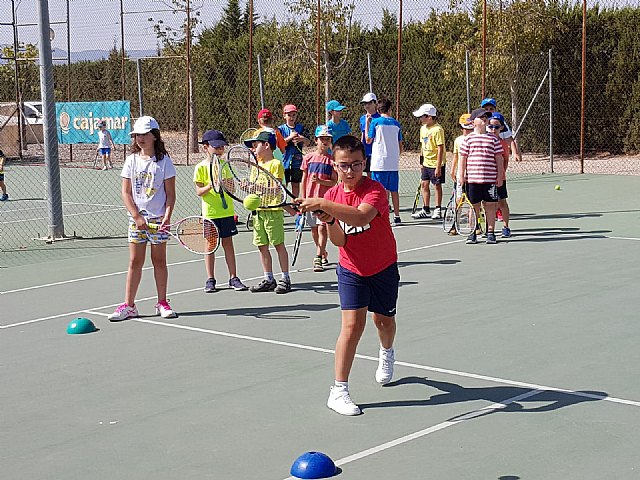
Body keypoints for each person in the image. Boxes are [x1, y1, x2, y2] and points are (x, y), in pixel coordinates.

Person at [297, 135, 399, 416]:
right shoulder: (331, 196)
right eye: (344, 165)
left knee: (383, 321)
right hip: (351, 269)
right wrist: (328, 220)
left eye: (356, 164)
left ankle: (387, 353)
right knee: (352, 327)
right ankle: (338, 390)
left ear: (364, 162)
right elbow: (340, 242)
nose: (350, 171)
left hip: (383, 266)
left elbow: (360, 217)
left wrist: (322, 205)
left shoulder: (375, 190)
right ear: (336, 165)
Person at [108, 115, 177, 321]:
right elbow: (126, 193)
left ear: (154, 136)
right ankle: (129, 306)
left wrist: (166, 217)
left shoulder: (165, 162)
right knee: (134, 261)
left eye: (144, 134)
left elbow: (171, 194)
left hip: (158, 221)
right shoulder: (131, 160)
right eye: (137, 135)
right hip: (136, 222)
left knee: (159, 261)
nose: (140, 138)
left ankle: (162, 303)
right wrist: (136, 216)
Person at [194, 129, 249, 293]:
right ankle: (210, 279)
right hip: (210, 214)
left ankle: (234, 277)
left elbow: (231, 188)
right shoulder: (201, 168)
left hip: (226, 213)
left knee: (228, 244)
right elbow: (199, 191)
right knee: (210, 246)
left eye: (221, 148)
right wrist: (212, 184)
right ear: (205, 147)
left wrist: (224, 183)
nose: (219, 150)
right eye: (216, 147)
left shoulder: (225, 166)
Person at [244, 131, 292, 294]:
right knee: (261, 246)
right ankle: (268, 278)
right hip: (258, 212)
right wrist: (249, 189)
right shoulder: (255, 167)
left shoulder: (276, 164)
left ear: (266, 145)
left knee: (278, 245)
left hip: (273, 211)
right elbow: (255, 191)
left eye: (255, 144)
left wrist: (258, 188)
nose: (253, 148)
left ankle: (285, 278)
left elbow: (277, 190)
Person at [457, 108, 504, 245]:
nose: (484, 118)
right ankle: (473, 232)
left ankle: (491, 232)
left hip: (490, 180)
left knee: (490, 206)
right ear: (473, 121)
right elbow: (462, 158)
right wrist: (461, 175)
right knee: (474, 207)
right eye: (481, 117)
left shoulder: (493, 139)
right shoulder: (468, 139)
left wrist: (500, 175)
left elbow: (499, 159)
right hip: (472, 180)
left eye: (486, 117)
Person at [300, 125, 338, 272]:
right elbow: (304, 179)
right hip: (310, 201)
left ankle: (317, 257)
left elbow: (334, 181)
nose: (325, 141)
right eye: (322, 139)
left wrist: (321, 182)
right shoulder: (308, 158)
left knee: (322, 229)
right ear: (316, 140)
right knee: (314, 230)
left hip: (324, 202)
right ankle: (322, 251)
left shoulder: (331, 161)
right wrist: (302, 198)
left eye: (327, 139)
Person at [365, 97, 404, 226]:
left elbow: (368, 140)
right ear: (390, 109)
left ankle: (381, 215)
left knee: (379, 190)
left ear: (378, 109)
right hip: (393, 163)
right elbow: (401, 147)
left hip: (379, 163)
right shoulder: (396, 124)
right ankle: (397, 217)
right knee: (393, 190)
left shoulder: (375, 122)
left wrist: (367, 123)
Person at [411, 103, 446, 220]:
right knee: (424, 185)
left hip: (436, 163)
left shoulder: (438, 130)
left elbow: (441, 148)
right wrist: (421, 161)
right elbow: (422, 146)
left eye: (422, 116)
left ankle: (437, 209)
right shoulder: (422, 129)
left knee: (437, 185)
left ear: (429, 117)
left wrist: (438, 167)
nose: (420, 119)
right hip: (426, 163)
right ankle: (426, 209)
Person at [447, 113, 474, 235]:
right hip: (460, 176)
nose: (467, 130)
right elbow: (455, 156)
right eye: (465, 127)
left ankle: (473, 225)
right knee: (459, 200)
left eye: (470, 128)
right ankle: (456, 225)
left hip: (473, 175)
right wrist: (453, 171)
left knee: (473, 201)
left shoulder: (475, 138)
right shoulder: (458, 140)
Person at [278, 104, 310, 198]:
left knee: (295, 184)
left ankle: (294, 204)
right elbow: (279, 144)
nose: (291, 117)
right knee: (284, 184)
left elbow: (308, 142)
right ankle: (282, 203)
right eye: (289, 115)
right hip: (285, 161)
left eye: (293, 115)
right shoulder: (280, 129)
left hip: (297, 161)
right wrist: (290, 138)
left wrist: (301, 139)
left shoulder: (301, 128)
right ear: (284, 116)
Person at [488, 113, 512, 238]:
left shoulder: (503, 144)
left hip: (499, 179)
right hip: (486, 179)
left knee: (502, 202)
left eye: (496, 127)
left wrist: (501, 174)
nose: (493, 129)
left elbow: (506, 160)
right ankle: (488, 228)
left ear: (501, 128)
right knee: (487, 204)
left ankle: (506, 226)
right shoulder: (485, 142)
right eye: (490, 126)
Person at [481, 97, 522, 162]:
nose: (488, 111)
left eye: (491, 109)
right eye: (486, 109)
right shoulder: (480, 122)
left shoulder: (499, 121)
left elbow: (509, 139)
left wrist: (515, 153)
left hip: (497, 150)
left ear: (495, 109)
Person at [358, 92, 380, 174]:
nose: (366, 106)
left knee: (373, 174)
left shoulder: (380, 118)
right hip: (365, 151)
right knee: (364, 173)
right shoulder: (362, 118)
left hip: (375, 150)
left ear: (375, 103)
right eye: (364, 103)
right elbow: (363, 133)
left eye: (369, 103)